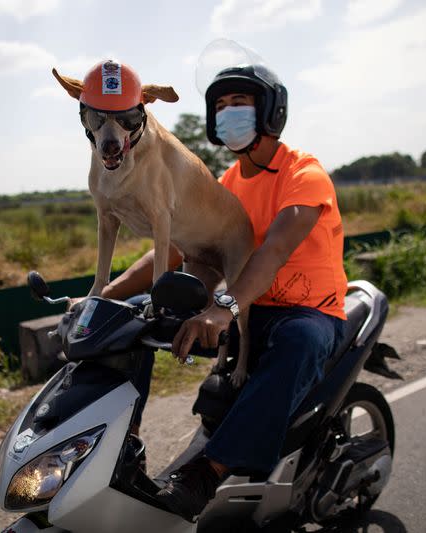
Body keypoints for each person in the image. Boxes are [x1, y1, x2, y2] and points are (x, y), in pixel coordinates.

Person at [101, 61, 347, 522]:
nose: (228, 113)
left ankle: (205, 476)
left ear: (270, 112)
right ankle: (122, 446)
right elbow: (173, 252)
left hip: (307, 312)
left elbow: (271, 253)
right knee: (133, 317)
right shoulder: (227, 185)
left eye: (240, 104)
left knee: (299, 343)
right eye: (220, 106)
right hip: (242, 307)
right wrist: (106, 296)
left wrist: (223, 307)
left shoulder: (303, 174)